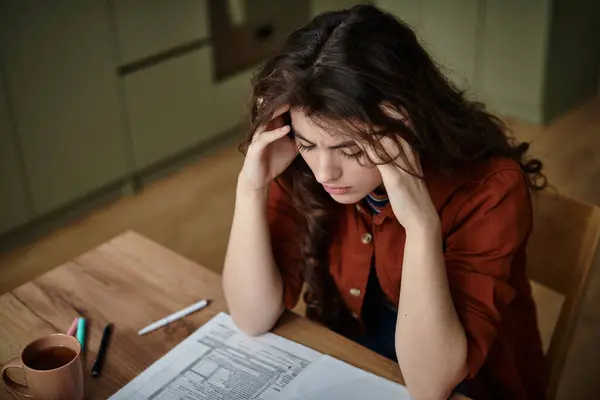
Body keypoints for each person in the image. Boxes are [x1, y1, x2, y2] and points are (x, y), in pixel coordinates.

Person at [223, 4, 548, 400]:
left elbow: (433, 385)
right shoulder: (300, 163)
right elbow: (251, 317)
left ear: (404, 119)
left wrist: (420, 225)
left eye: (351, 149)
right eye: (309, 144)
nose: (325, 171)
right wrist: (251, 187)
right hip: (352, 351)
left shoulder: (491, 189)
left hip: (463, 379)